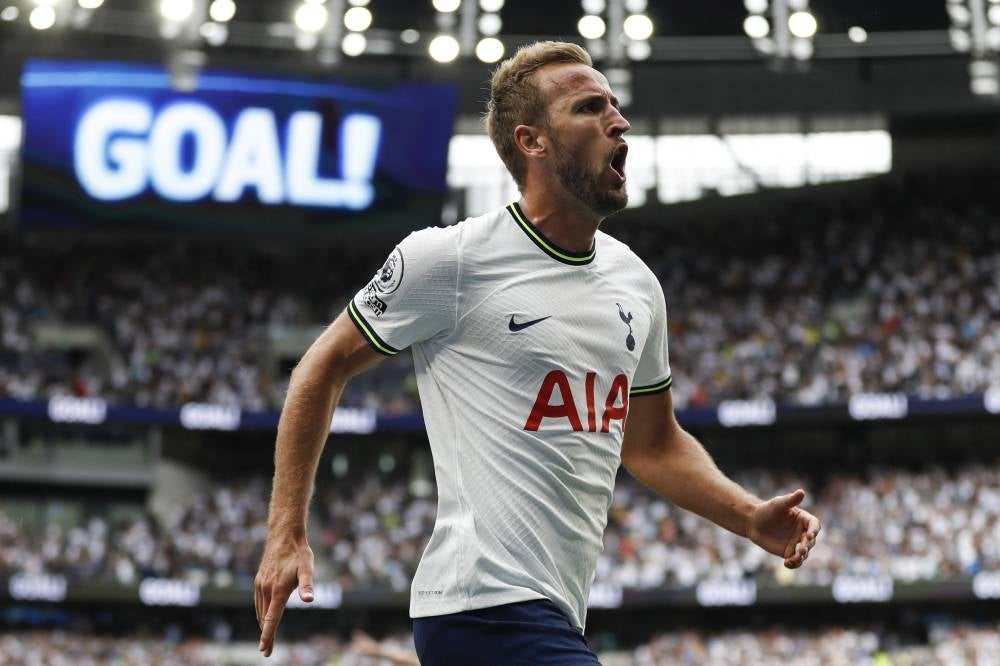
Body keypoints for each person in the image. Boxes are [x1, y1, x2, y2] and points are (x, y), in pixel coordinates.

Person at [255, 40, 821, 664]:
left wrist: (747, 516)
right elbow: (323, 363)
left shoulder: (636, 283)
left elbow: (652, 444)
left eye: (614, 104)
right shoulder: (450, 259)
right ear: (533, 142)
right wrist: (285, 531)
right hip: (481, 605)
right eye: (589, 106)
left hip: (554, 613)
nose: (619, 119)